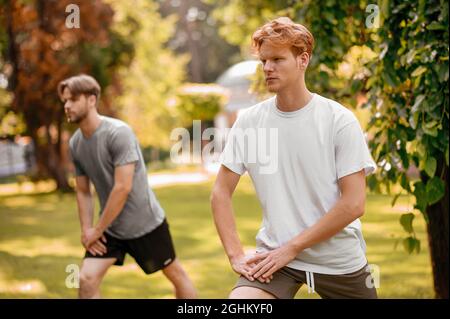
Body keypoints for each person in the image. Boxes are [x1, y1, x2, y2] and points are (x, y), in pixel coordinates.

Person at [210, 17, 378, 299]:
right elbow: (220, 193)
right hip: (275, 258)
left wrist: (293, 248)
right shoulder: (249, 122)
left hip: (338, 262)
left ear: (303, 60)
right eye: (264, 61)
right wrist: (235, 254)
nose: (267, 68)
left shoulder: (339, 120)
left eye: (277, 59)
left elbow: (353, 204)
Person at [58, 74, 196, 299]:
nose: (67, 105)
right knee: (86, 278)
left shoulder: (118, 133)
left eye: (73, 99)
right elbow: (83, 191)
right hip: (111, 228)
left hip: (145, 224)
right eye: (65, 100)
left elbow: (122, 187)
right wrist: (86, 231)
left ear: (92, 100)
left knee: (177, 275)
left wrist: (97, 230)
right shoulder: (76, 143)